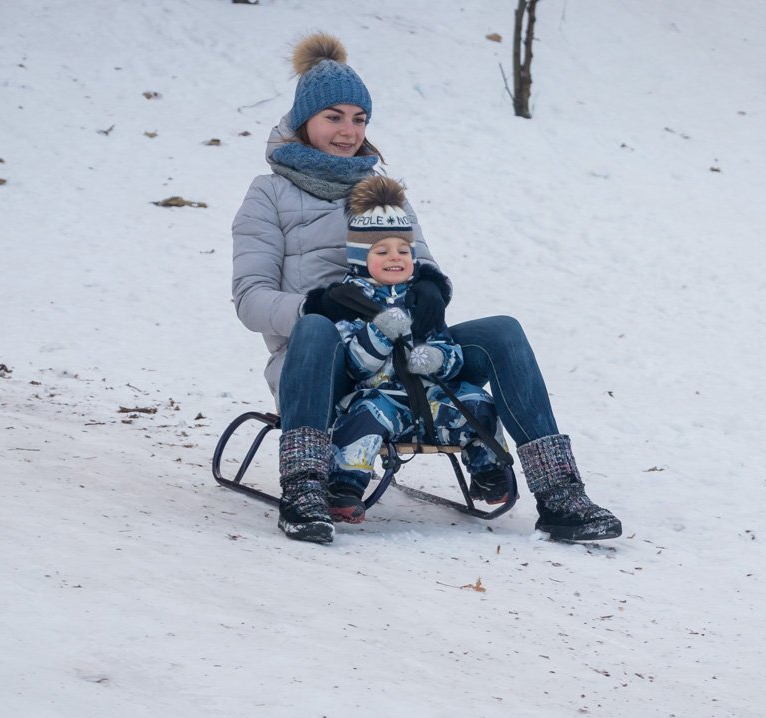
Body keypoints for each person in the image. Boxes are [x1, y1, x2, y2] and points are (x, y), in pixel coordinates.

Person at [231, 32, 621, 545]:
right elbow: (250, 298)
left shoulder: (381, 190)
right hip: (323, 361)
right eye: (334, 117)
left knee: (502, 331)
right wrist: (312, 304)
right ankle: (305, 486)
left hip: (402, 350)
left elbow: (423, 262)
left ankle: (559, 493)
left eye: (359, 118)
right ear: (304, 119)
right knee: (317, 329)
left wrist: (432, 289)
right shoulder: (269, 193)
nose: (348, 132)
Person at [325, 175, 511, 525]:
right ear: (361, 258)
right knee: (363, 417)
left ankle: (489, 473)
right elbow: (354, 365)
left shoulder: (422, 298)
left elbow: (448, 348)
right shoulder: (348, 301)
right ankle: (345, 487)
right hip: (384, 398)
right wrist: (378, 335)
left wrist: (440, 359)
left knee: (478, 403)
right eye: (382, 252)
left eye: (403, 251)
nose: (395, 258)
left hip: (432, 399)